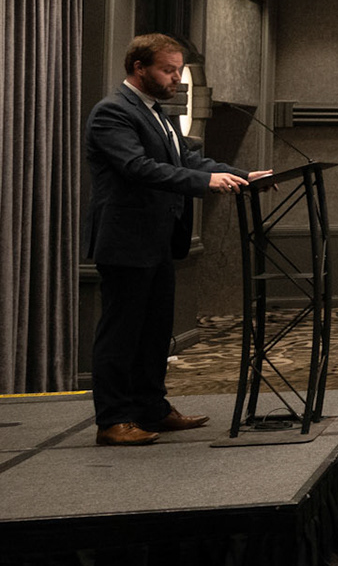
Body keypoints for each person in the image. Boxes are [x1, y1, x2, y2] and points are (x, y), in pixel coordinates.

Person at [84, 33, 267, 446]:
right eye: (169, 70)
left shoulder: (158, 114)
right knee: (121, 334)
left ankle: (152, 409)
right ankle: (112, 420)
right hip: (127, 242)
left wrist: (242, 177)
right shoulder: (112, 112)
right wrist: (205, 182)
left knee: (154, 333)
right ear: (138, 68)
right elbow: (138, 167)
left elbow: (189, 160)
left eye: (179, 70)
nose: (176, 78)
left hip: (158, 241)